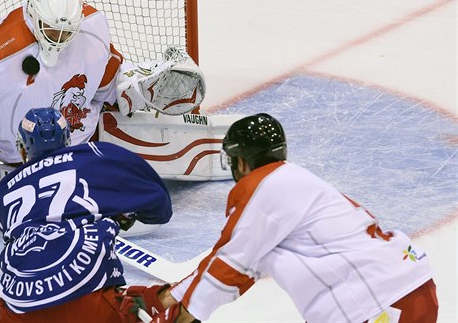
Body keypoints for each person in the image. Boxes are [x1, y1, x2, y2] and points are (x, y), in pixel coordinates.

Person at [0, 0, 204, 232]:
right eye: (52, 30)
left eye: (66, 31)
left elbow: (106, 77)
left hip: (81, 140)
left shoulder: (92, 29)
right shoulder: (4, 53)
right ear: (33, 17)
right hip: (23, 156)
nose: (59, 38)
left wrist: (134, 88)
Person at [120, 113, 438, 323]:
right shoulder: (293, 185)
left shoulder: (263, 187)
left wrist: (181, 314)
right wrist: (168, 298)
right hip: (411, 288)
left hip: (376, 304)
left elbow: (230, 264)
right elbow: (240, 266)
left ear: (241, 162)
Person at [0, 107, 172, 322]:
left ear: (23, 149)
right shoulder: (99, 154)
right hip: (90, 301)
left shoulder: (2, 192)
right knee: (164, 301)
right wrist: (126, 214)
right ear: (67, 139)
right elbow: (160, 206)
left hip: (20, 311)